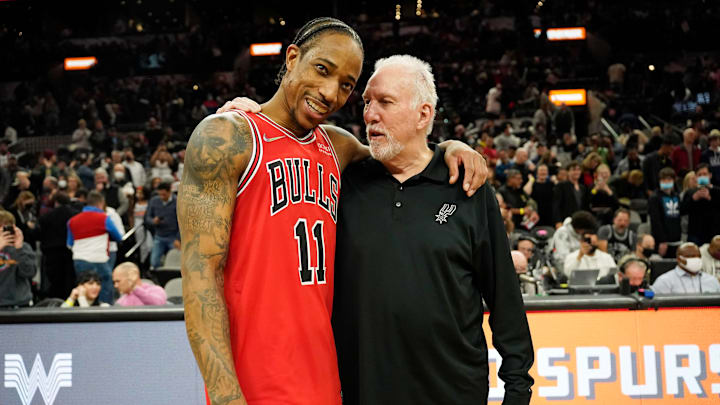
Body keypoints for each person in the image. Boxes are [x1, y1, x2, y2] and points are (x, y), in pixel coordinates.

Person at [179, 18, 487, 405]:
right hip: (254, 379)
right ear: (292, 58)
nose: (330, 93)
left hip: (326, 375)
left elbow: (406, 155)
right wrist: (225, 395)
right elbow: (199, 276)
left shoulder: (338, 147)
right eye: (322, 69)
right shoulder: (227, 137)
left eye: (346, 85)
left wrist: (449, 147)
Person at [332, 55, 533, 405]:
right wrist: (247, 113)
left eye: (385, 102)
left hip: (453, 391)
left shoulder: (467, 186)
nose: (369, 114)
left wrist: (517, 390)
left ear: (423, 114)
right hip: (364, 390)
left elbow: (504, 297)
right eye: (366, 102)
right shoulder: (344, 183)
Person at [67, 191, 123, 304]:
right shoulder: (104, 218)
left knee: (84, 289)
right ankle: (106, 316)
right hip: (99, 259)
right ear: (101, 203)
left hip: (79, 260)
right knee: (105, 288)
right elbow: (118, 237)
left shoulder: (72, 221)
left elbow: (69, 244)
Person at [39, 192, 79, 299]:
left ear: (56, 202)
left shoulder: (46, 216)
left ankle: (55, 303)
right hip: (70, 251)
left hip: (51, 252)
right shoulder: (76, 214)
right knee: (69, 279)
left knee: (55, 281)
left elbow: (40, 233)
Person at [0, 210, 36, 308]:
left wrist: (19, 249)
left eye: (7, 227)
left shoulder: (23, 247)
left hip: (20, 303)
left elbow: (29, 273)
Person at [652, 242, 720, 294]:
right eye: (690, 256)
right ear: (679, 259)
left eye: (698, 256)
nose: (695, 259)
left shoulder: (712, 280)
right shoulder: (665, 281)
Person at [680, 163, 720, 245]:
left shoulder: (717, 191)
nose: (702, 176)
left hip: (714, 234)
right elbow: (682, 210)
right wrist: (693, 199)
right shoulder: (690, 192)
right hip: (695, 234)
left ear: (710, 175)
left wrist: (710, 199)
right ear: (696, 177)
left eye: (705, 174)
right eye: (699, 175)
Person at [648, 167, 683, 258]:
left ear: (673, 180)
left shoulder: (676, 196)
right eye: (663, 179)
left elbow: (679, 218)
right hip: (662, 242)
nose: (666, 181)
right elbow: (655, 221)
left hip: (676, 240)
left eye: (669, 179)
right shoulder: (655, 197)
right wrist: (662, 241)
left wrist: (679, 240)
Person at [145, 182, 179, 269]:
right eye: (160, 194)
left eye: (164, 195)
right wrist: (153, 221)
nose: (161, 197)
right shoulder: (154, 201)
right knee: (154, 261)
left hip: (173, 236)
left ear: (169, 192)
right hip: (159, 236)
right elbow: (147, 218)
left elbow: (182, 223)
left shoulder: (178, 202)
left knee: (176, 262)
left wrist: (178, 238)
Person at [552, 161, 590, 228]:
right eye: (574, 170)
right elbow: (556, 205)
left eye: (578, 170)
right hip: (566, 221)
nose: (576, 172)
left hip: (579, 221)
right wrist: (558, 221)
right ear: (568, 172)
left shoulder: (583, 188)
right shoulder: (561, 186)